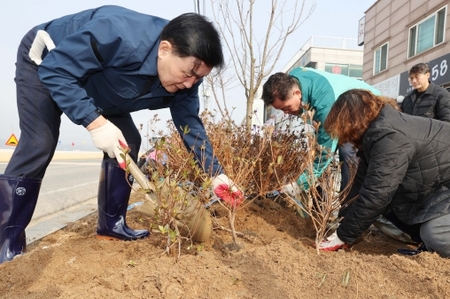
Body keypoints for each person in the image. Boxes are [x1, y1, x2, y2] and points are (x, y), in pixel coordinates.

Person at [0, 5, 239, 264]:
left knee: (130, 142)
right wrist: (95, 122)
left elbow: (190, 124)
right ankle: (7, 243)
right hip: (47, 61)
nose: (190, 84)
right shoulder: (118, 33)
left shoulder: (187, 80)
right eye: (189, 73)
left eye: (199, 78)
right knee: (39, 143)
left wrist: (215, 174)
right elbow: (56, 69)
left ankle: (112, 225)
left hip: (101, 86)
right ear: (165, 49)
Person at [319, 89, 450, 258]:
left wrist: (342, 236)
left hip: (443, 189)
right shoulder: (377, 133)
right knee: (378, 214)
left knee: (435, 234)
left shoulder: (389, 137)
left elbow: (377, 194)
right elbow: (360, 185)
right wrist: (342, 224)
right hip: (438, 189)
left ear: (351, 121)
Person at [261, 67, 381, 197]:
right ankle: (321, 207)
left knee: (348, 153)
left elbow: (324, 152)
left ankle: (350, 207)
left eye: (287, 107)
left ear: (297, 93)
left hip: (371, 114)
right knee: (319, 159)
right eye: (281, 110)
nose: (286, 113)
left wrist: (299, 185)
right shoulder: (293, 79)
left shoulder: (324, 106)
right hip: (345, 115)